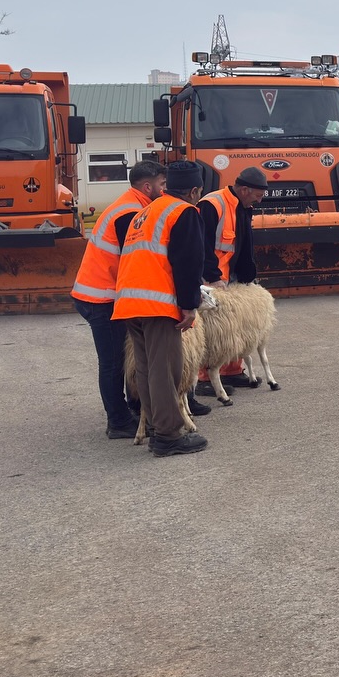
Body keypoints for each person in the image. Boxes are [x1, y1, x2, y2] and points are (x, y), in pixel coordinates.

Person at [111, 160, 209, 457]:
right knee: (167, 368)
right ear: (194, 191)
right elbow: (188, 262)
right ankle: (168, 436)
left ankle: (155, 425)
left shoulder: (146, 211)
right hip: (156, 302)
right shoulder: (184, 212)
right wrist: (190, 305)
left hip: (129, 301)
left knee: (146, 368)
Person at [71, 159, 168, 438]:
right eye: (162, 185)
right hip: (100, 299)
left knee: (123, 358)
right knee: (113, 361)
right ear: (148, 186)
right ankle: (117, 422)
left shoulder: (131, 205)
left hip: (101, 295)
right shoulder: (131, 213)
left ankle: (130, 409)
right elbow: (136, 259)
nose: (165, 190)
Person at [194, 165, 269, 399]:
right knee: (214, 330)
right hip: (213, 278)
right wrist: (212, 277)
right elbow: (201, 244)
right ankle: (205, 377)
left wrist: (248, 276)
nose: (258, 201)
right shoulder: (212, 204)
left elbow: (243, 243)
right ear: (244, 189)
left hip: (233, 276)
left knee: (234, 326)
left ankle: (232, 371)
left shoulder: (243, 206)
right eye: (257, 196)